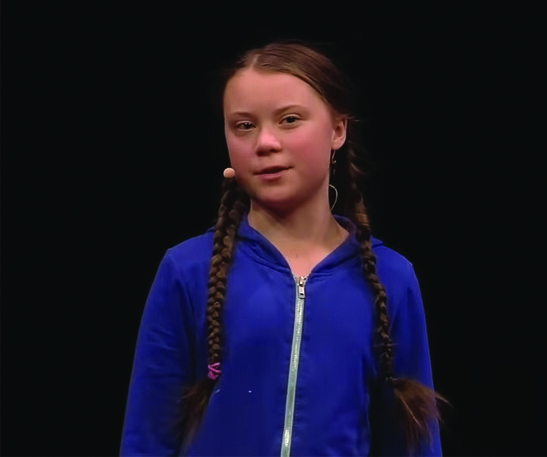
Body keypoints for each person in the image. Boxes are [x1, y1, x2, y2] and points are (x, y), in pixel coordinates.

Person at [120, 40, 445, 456]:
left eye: (289, 119)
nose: (265, 142)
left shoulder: (392, 278)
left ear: (338, 129)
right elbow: (146, 438)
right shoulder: (187, 270)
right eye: (243, 125)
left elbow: (413, 444)